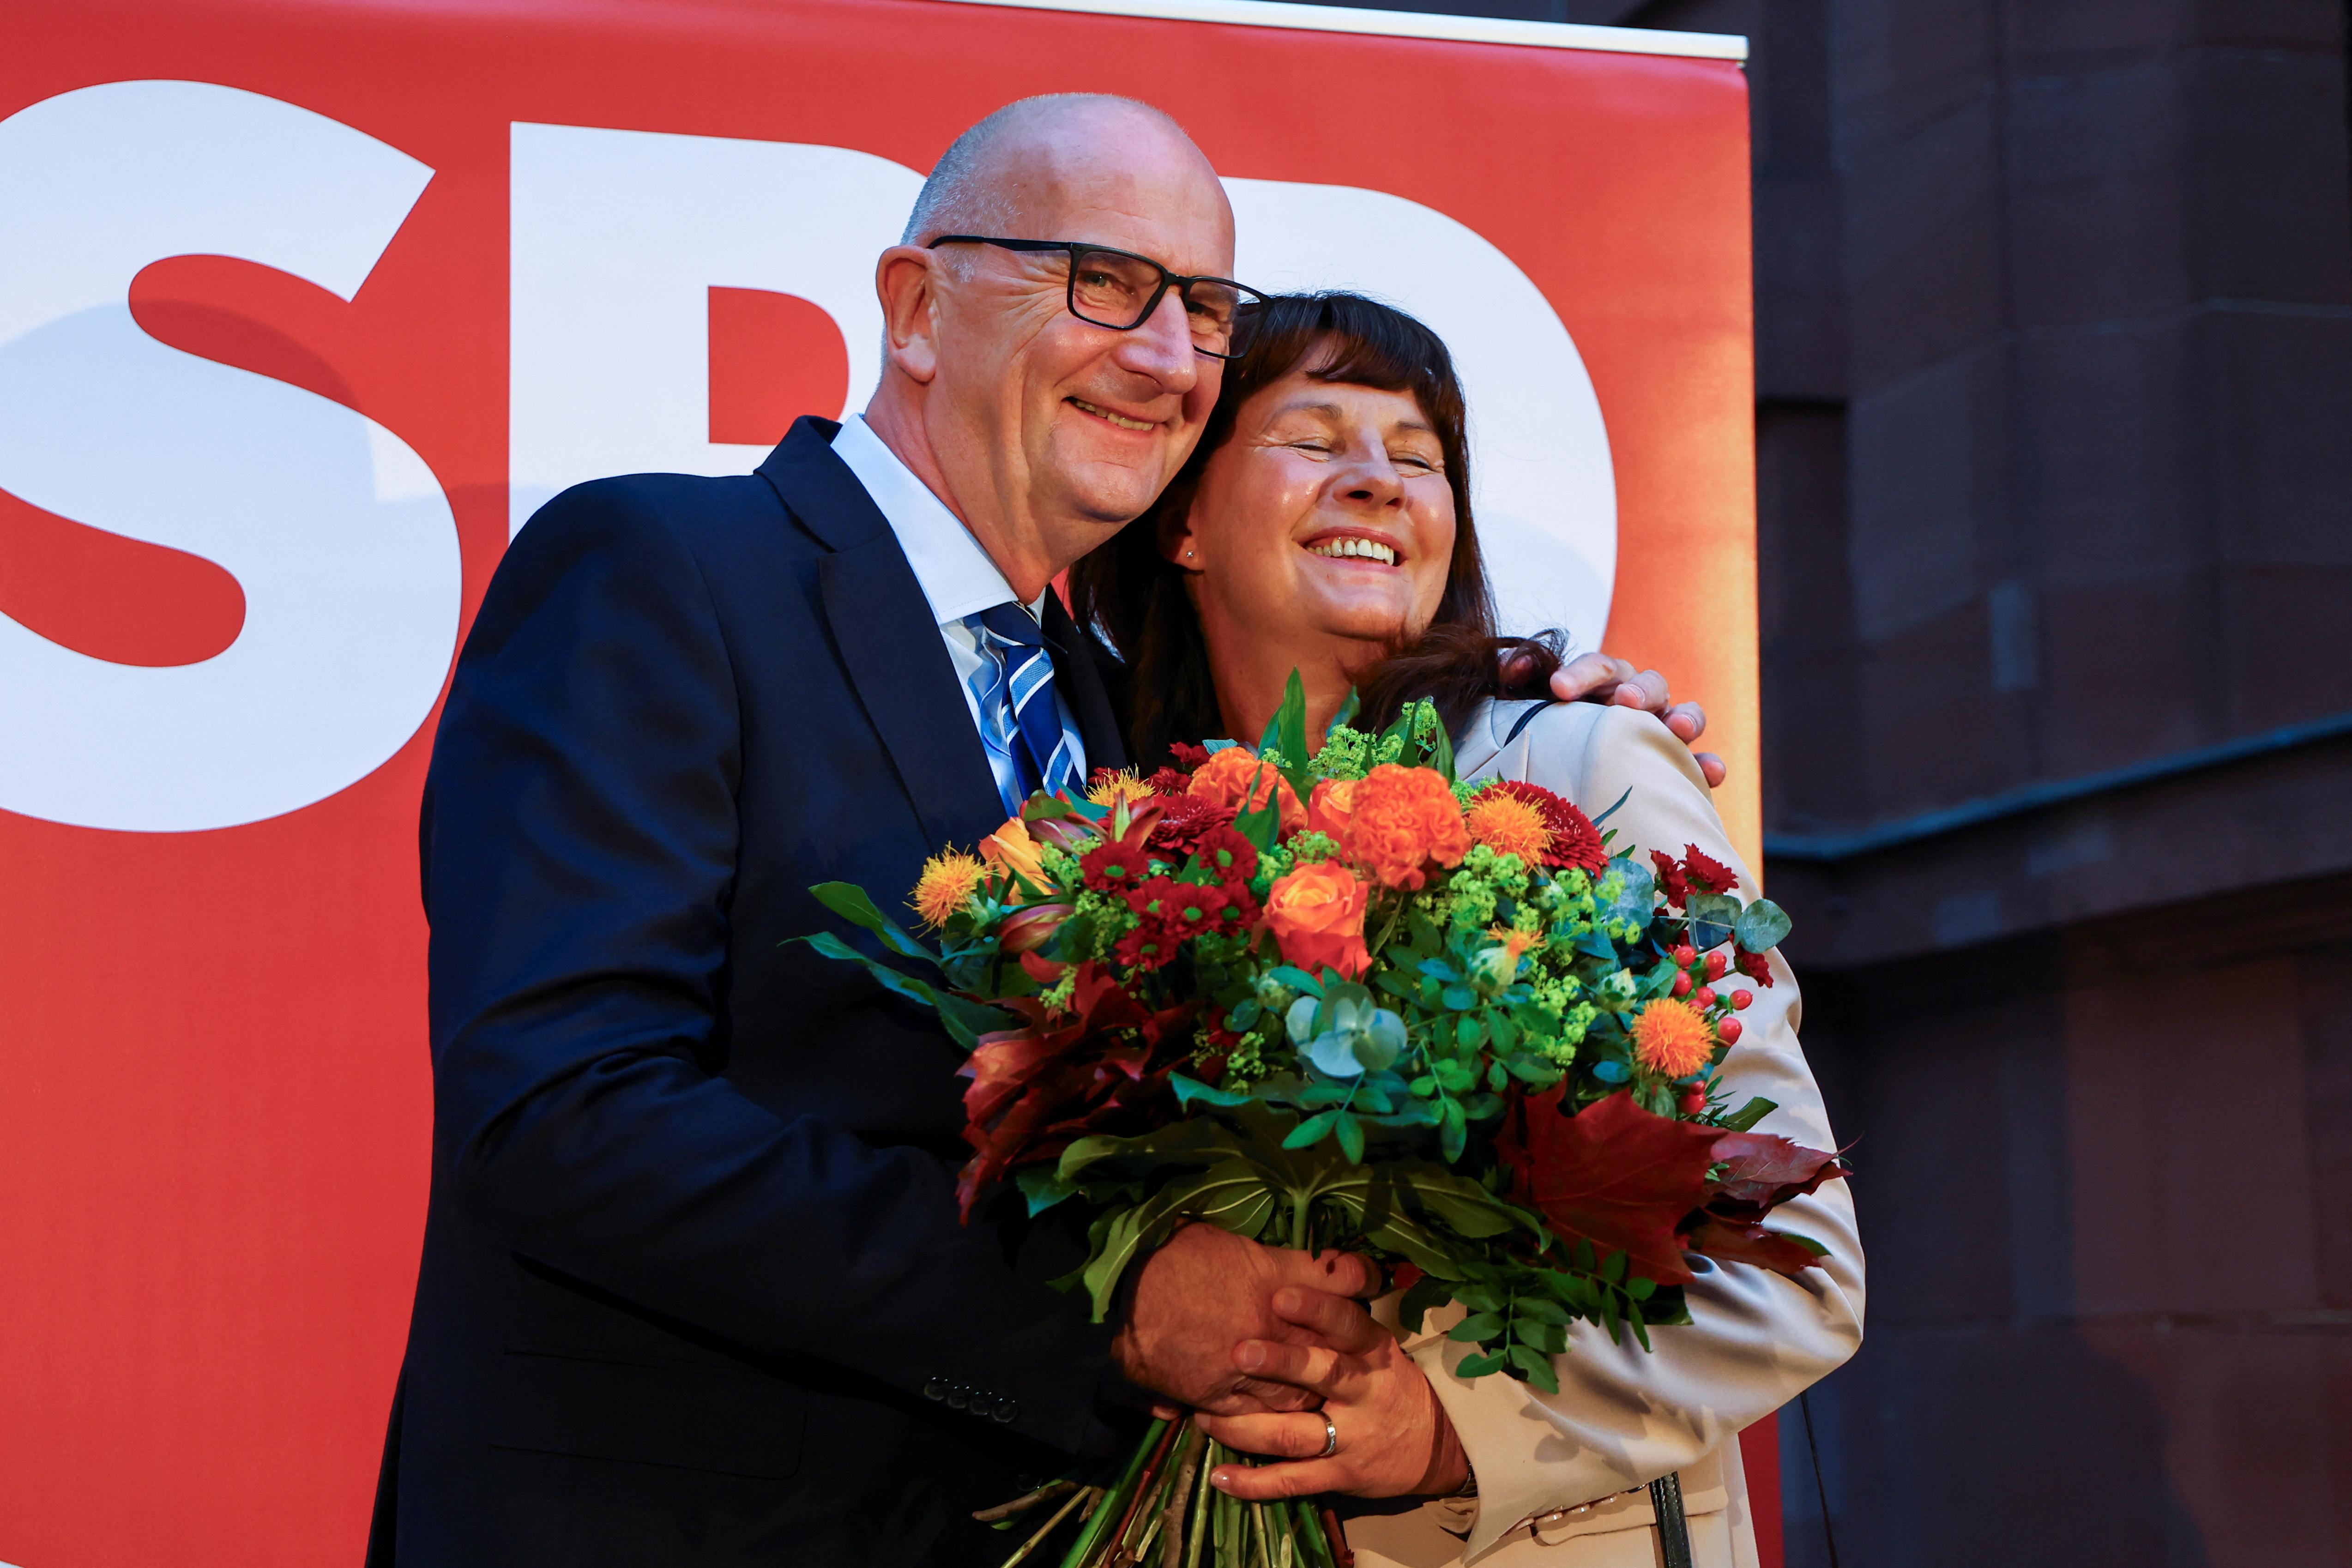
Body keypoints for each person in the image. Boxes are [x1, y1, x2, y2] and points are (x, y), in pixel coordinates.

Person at [367, 98, 1702, 1567]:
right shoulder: (663, 567)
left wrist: (1511, 700)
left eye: (1205, 309)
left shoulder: (1135, 728)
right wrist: (1107, 1302)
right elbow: (562, 1114)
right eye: (1104, 282)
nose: (1169, 356)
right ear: (916, 308)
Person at [1067, 292, 1864, 1566]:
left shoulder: (1583, 762)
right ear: (1182, 519)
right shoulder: (1115, 833)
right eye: (1315, 439)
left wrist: (1454, 1430)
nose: (1377, 481)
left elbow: (1798, 1265)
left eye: (1419, 456)